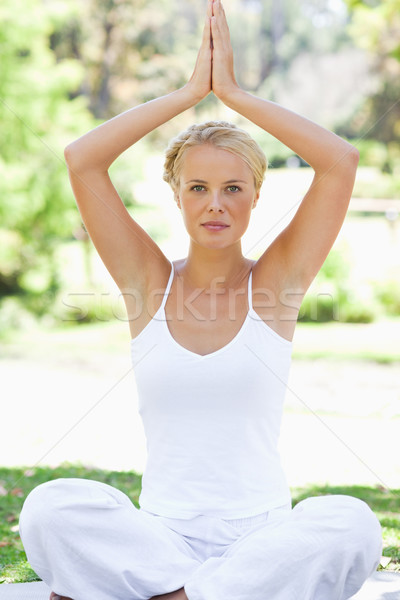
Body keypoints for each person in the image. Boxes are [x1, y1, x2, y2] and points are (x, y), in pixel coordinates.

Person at [19, 1, 382, 599]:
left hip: (261, 538)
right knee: (50, 506)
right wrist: (191, 93)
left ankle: (175, 594)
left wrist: (233, 94)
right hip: (161, 537)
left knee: (351, 523)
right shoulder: (148, 286)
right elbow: (83, 159)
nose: (216, 204)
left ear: (255, 196)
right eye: (199, 188)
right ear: (178, 196)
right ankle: (205, 591)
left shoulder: (275, 288)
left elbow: (339, 162)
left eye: (233, 188)